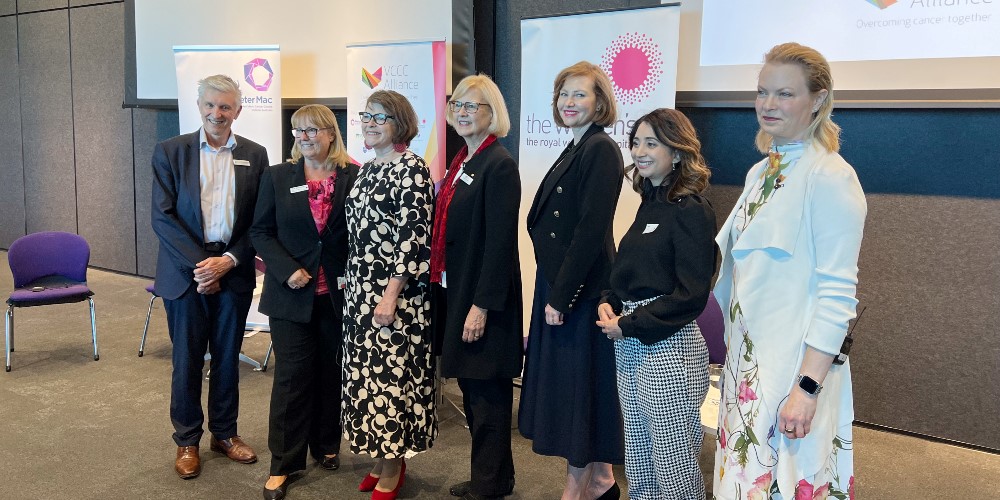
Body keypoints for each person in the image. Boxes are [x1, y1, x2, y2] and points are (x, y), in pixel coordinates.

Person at [713, 42, 866, 499]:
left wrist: (807, 387)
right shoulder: (760, 173)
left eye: (784, 94)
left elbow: (839, 294)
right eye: (762, 92)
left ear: (818, 100)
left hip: (794, 371)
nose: (768, 105)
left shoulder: (831, 177)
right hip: (748, 368)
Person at [596, 108, 717, 499]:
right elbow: (633, 272)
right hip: (631, 343)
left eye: (652, 143)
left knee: (672, 462)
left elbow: (691, 295)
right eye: (636, 142)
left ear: (677, 152)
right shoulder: (649, 201)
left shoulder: (691, 209)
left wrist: (628, 324)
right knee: (639, 460)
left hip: (670, 349)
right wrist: (609, 300)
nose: (640, 151)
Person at [151, 74, 267, 479]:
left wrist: (229, 261)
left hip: (232, 272)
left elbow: (258, 221)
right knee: (185, 361)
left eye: (226, 106)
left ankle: (224, 434)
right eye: (211, 105)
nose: (218, 113)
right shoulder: (171, 151)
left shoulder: (256, 154)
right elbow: (162, 218)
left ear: (238, 110)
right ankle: (186, 440)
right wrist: (203, 266)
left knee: (227, 360)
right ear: (199, 106)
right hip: (186, 274)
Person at [520, 61, 625, 500]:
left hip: (579, 290)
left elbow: (589, 230)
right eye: (564, 94)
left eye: (579, 94)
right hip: (562, 283)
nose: (569, 102)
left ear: (600, 102)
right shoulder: (577, 145)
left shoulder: (600, 148)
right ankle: (600, 480)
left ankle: (576, 487)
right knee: (578, 389)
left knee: (578, 390)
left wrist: (562, 296)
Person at [250, 104, 359, 500]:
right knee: (293, 378)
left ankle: (327, 443)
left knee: (332, 374)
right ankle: (284, 463)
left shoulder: (354, 176)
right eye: (298, 130)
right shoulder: (277, 177)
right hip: (290, 295)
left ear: (331, 133)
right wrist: (285, 269)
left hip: (340, 296)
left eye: (313, 129)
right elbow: (260, 232)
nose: (305, 137)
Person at [431, 74, 522, 500]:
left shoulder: (498, 163)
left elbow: (500, 244)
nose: (463, 114)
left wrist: (481, 306)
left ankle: (489, 485)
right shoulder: (463, 160)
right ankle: (494, 478)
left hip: (483, 299)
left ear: (493, 114)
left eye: (473, 107)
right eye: (458, 106)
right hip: (458, 290)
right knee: (473, 391)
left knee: (487, 397)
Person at [342, 89, 436, 500]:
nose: (370, 123)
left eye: (380, 117)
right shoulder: (367, 168)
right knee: (364, 377)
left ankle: (394, 465)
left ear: (400, 123)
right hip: (360, 291)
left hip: (393, 295)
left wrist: (390, 294)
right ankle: (380, 457)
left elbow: (413, 239)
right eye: (367, 115)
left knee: (390, 379)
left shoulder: (412, 168)